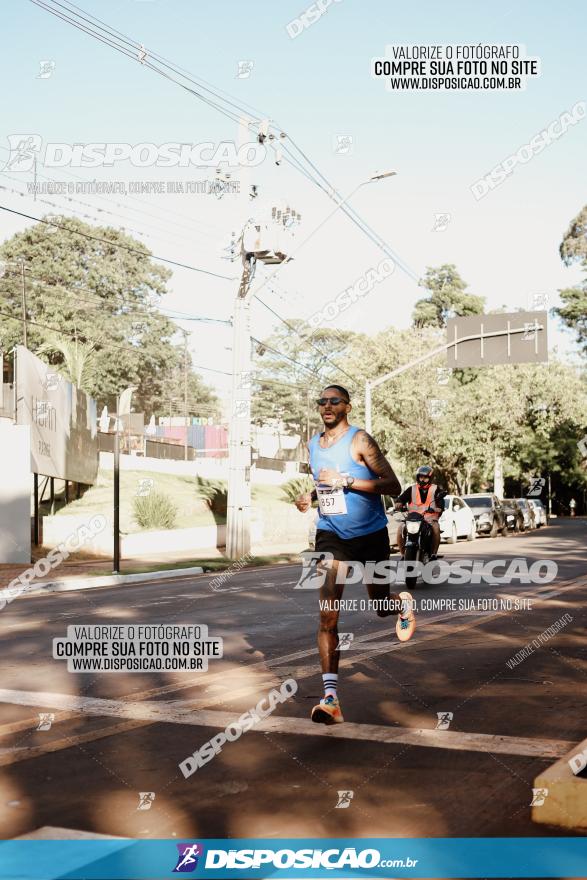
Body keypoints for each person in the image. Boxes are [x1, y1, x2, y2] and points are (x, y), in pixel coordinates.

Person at [294, 384, 416, 725]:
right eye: (322, 401)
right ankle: (330, 698)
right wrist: (311, 498)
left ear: (347, 406)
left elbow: (392, 485)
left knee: (379, 607)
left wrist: (346, 479)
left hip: (371, 534)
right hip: (332, 534)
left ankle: (399, 603)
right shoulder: (313, 445)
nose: (327, 405)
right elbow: (325, 485)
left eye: (335, 401)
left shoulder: (361, 440)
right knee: (327, 614)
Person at [395, 465, 447, 560]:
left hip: (429, 519)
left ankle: (433, 554)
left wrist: (438, 508)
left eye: (425, 478)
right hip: (413, 519)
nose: (422, 480)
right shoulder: (412, 489)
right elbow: (401, 499)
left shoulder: (436, 489)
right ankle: (403, 554)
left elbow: (441, 504)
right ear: (418, 477)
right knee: (400, 528)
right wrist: (398, 503)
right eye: (421, 477)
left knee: (436, 528)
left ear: (430, 478)